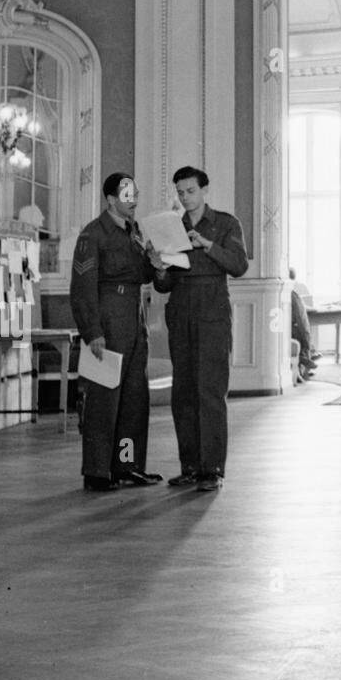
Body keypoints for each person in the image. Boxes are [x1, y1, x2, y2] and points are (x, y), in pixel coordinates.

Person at [151, 167, 248, 493]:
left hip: (213, 316)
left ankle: (212, 470)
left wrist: (207, 245)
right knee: (184, 395)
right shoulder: (172, 228)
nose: (185, 197)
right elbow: (164, 286)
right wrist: (159, 267)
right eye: (180, 192)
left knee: (210, 393)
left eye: (190, 191)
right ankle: (190, 467)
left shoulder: (225, 223)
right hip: (181, 314)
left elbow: (239, 266)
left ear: (204, 190)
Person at [69, 172, 166, 492]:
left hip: (134, 318)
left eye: (135, 193)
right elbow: (82, 289)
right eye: (126, 195)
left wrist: (154, 262)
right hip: (107, 320)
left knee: (134, 399)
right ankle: (97, 471)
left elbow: (143, 275)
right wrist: (92, 331)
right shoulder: (92, 235)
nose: (133, 200)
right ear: (110, 199)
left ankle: (127, 466)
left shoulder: (135, 232)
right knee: (103, 398)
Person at [290, 267, 318, 378]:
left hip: (285, 328)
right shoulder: (294, 295)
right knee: (302, 329)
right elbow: (302, 324)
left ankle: (309, 353)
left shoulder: (282, 293)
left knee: (301, 327)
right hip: (293, 330)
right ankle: (307, 354)